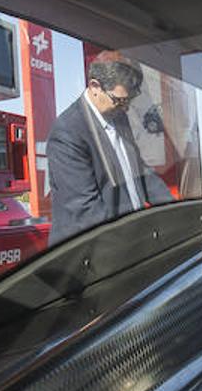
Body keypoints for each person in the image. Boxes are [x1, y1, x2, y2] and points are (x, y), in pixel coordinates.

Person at [47, 51, 174, 245]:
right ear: (95, 86)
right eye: (120, 100)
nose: (126, 108)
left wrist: (173, 211)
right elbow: (86, 210)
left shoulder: (118, 116)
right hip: (91, 252)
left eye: (129, 100)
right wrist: (138, 241)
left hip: (129, 239)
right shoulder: (68, 132)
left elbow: (141, 172)